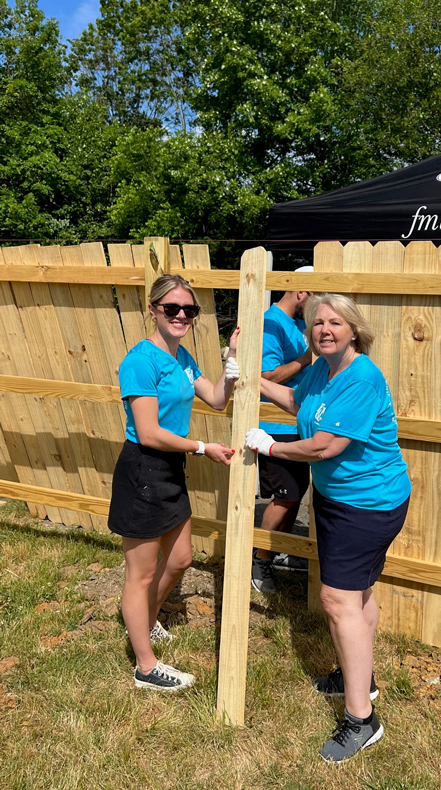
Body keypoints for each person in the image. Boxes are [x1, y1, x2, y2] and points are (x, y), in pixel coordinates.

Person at [245, 293, 411, 762]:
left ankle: (361, 720)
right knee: (355, 596)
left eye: (335, 323)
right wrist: (251, 379)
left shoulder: (361, 377)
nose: (325, 330)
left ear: (353, 330)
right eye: (318, 323)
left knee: (336, 600)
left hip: (369, 505)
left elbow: (324, 447)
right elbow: (296, 397)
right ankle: (359, 678)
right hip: (341, 502)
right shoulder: (323, 368)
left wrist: (271, 449)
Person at [108, 274, 240, 692]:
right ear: (154, 310)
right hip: (143, 470)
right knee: (140, 575)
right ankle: (145, 667)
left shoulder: (183, 358)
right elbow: (148, 433)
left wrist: (231, 365)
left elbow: (217, 399)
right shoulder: (140, 361)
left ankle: (146, 621)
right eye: (172, 308)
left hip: (170, 470)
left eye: (189, 310)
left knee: (181, 557)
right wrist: (202, 446)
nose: (181, 315)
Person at [252, 269, 314, 594]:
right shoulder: (270, 324)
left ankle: (280, 552)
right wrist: (305, 360)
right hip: (275, 426)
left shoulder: (299, 325)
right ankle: (259, 561)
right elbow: (266, 377)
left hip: (298, 423)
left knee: (296, 494)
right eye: (316, 296)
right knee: (285, 495)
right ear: (301, 291)